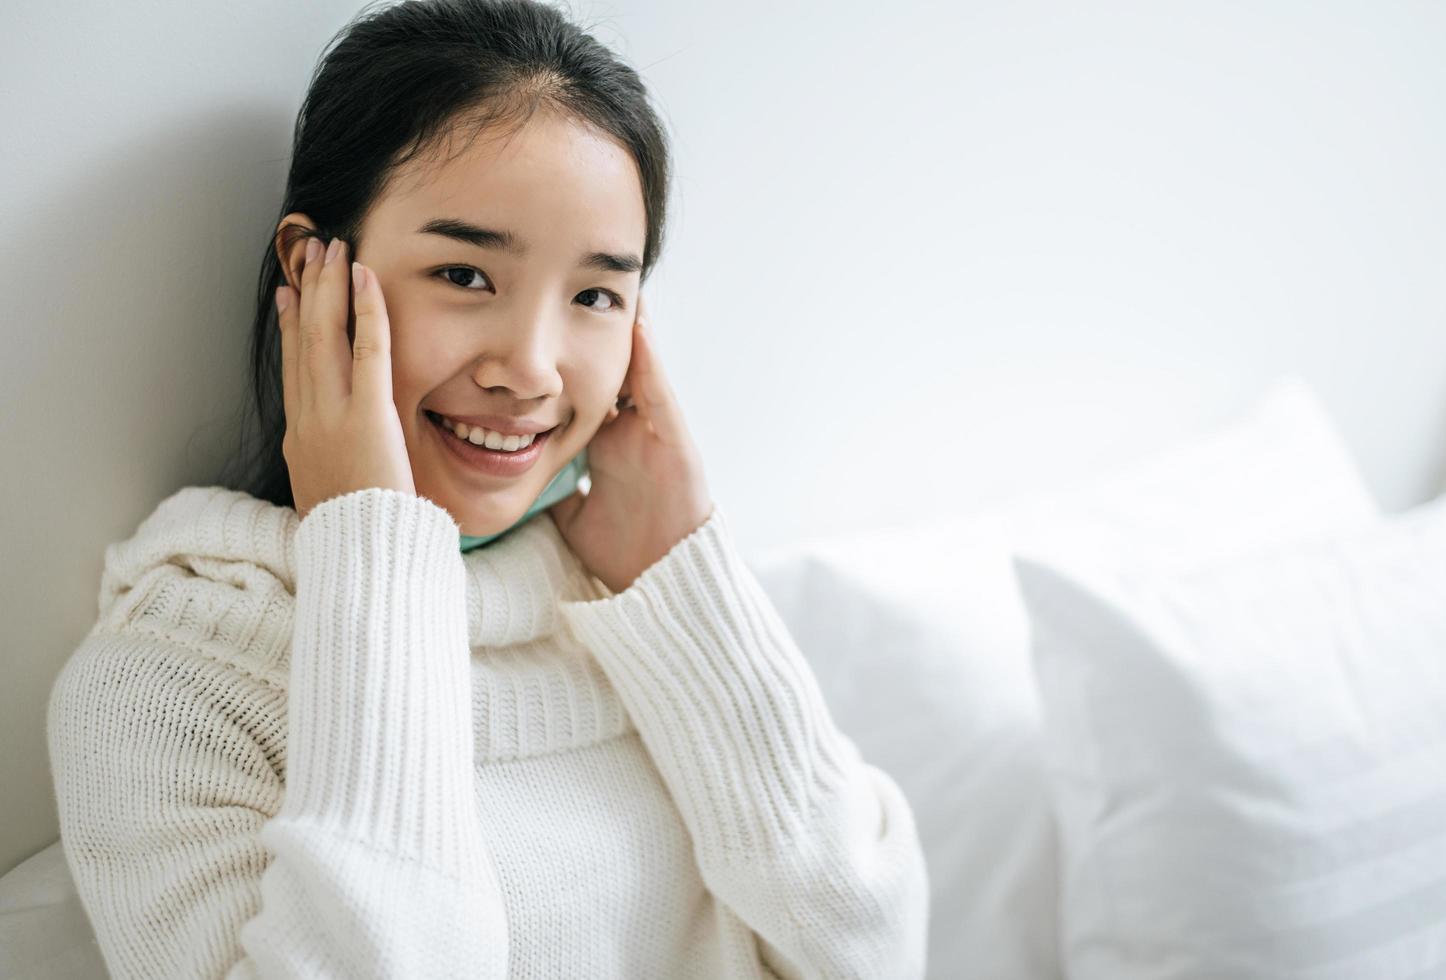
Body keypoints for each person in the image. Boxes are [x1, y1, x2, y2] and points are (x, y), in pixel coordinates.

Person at [45, 1, 930, 976]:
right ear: (313, 272)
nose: (534, 369)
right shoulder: (173, 682)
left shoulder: (625, 608)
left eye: (596, 293)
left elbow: (873, 948)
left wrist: (680, 576)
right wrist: (374, 550)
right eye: (466, 274)